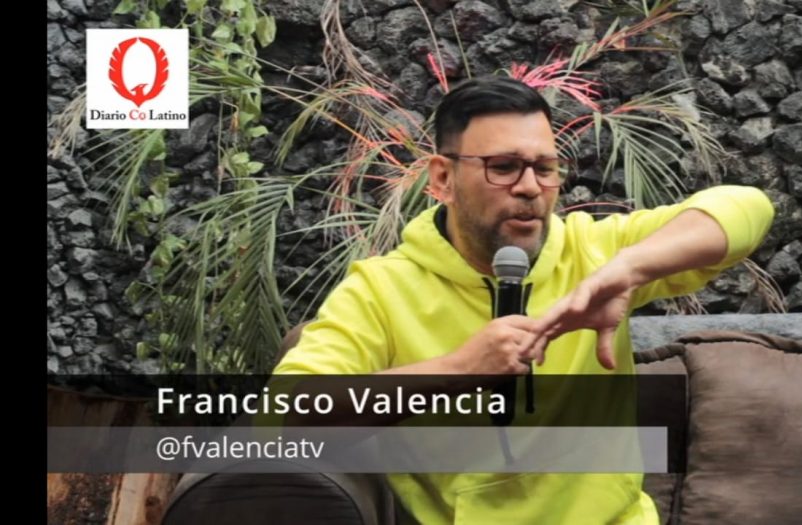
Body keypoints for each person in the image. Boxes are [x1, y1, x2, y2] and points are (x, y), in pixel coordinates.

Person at [274, 76, 775, 524]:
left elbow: (745, 209)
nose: (531, 188)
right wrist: (457, 371)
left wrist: (627, 269)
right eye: (504, 167)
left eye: (545, 167)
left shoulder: (593, 251)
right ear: (443, 178)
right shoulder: (381, 289)